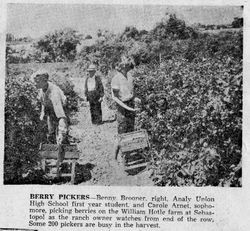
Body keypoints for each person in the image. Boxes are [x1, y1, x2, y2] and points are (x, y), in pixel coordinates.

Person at [111, 55, 140, 160]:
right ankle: (114, 158)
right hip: (121, 108)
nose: (128, 68)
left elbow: (132, 92)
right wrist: (127, 108)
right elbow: (115, 97)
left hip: (130, 104)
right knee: (121, 132)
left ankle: (126, 156)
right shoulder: (116, 79)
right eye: (126, 66)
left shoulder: (130, 77)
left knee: (130, 131)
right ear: (121, 67)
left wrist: (136, 99)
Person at [31, 69, 68, 146]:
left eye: (37, 81)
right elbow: (43, 104)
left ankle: (62, 142)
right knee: (50, 130)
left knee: (61, 133)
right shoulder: (42, 90)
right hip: (50, 109)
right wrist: (42, 115)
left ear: (44, 80)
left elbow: (61, 116)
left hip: (60, 108)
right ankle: (51, 142)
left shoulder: (54, 93)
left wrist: (62, 132)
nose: (35, 83)